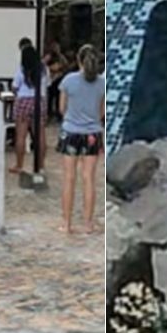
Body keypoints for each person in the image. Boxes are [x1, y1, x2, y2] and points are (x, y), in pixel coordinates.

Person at [57, 45, 106, 234]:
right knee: (89, 179)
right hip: (92, 134)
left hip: (70, 132)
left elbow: (62, 108)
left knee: (69, 178)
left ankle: (67, 223)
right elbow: (101, 111)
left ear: (78, 60)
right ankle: (88, 224)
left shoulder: (68, 81)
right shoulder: (102, 83)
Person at [10, 44, 49, 174]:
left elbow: (15, 87)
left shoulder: (21, 70)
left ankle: (19, 165)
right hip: (39, 100)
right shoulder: (43, 69)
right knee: (40, 135)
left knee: (21, 135)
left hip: (24, 100)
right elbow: (47, 84)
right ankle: (41, 166)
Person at [44, 40, 67, 122]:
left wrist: (59, 69)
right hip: (50, 79)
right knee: (49, 98)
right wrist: (51, 68)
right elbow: (44, 65)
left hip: (58, 79)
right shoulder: (48, 57)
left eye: (57, 47)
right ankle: (49, 114)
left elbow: (65, 66)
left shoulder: (61, 57)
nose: (56, 49)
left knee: (58, 98)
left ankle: (58, 115)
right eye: (54, 47)